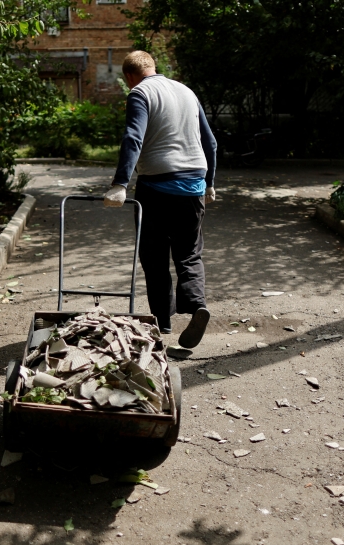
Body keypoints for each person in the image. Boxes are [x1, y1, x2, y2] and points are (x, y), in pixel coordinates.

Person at [104, 50, 217, 349]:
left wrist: (120, 184)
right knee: (189, 252)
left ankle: (162, 322)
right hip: (194, 185)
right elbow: (211, 142)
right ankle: (196, 307)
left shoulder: (140, 93)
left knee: (154, 256)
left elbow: (133, 137)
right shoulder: (186, 91)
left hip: (156, 186)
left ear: (129, 77)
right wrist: (210, 183)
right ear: (154, 67)